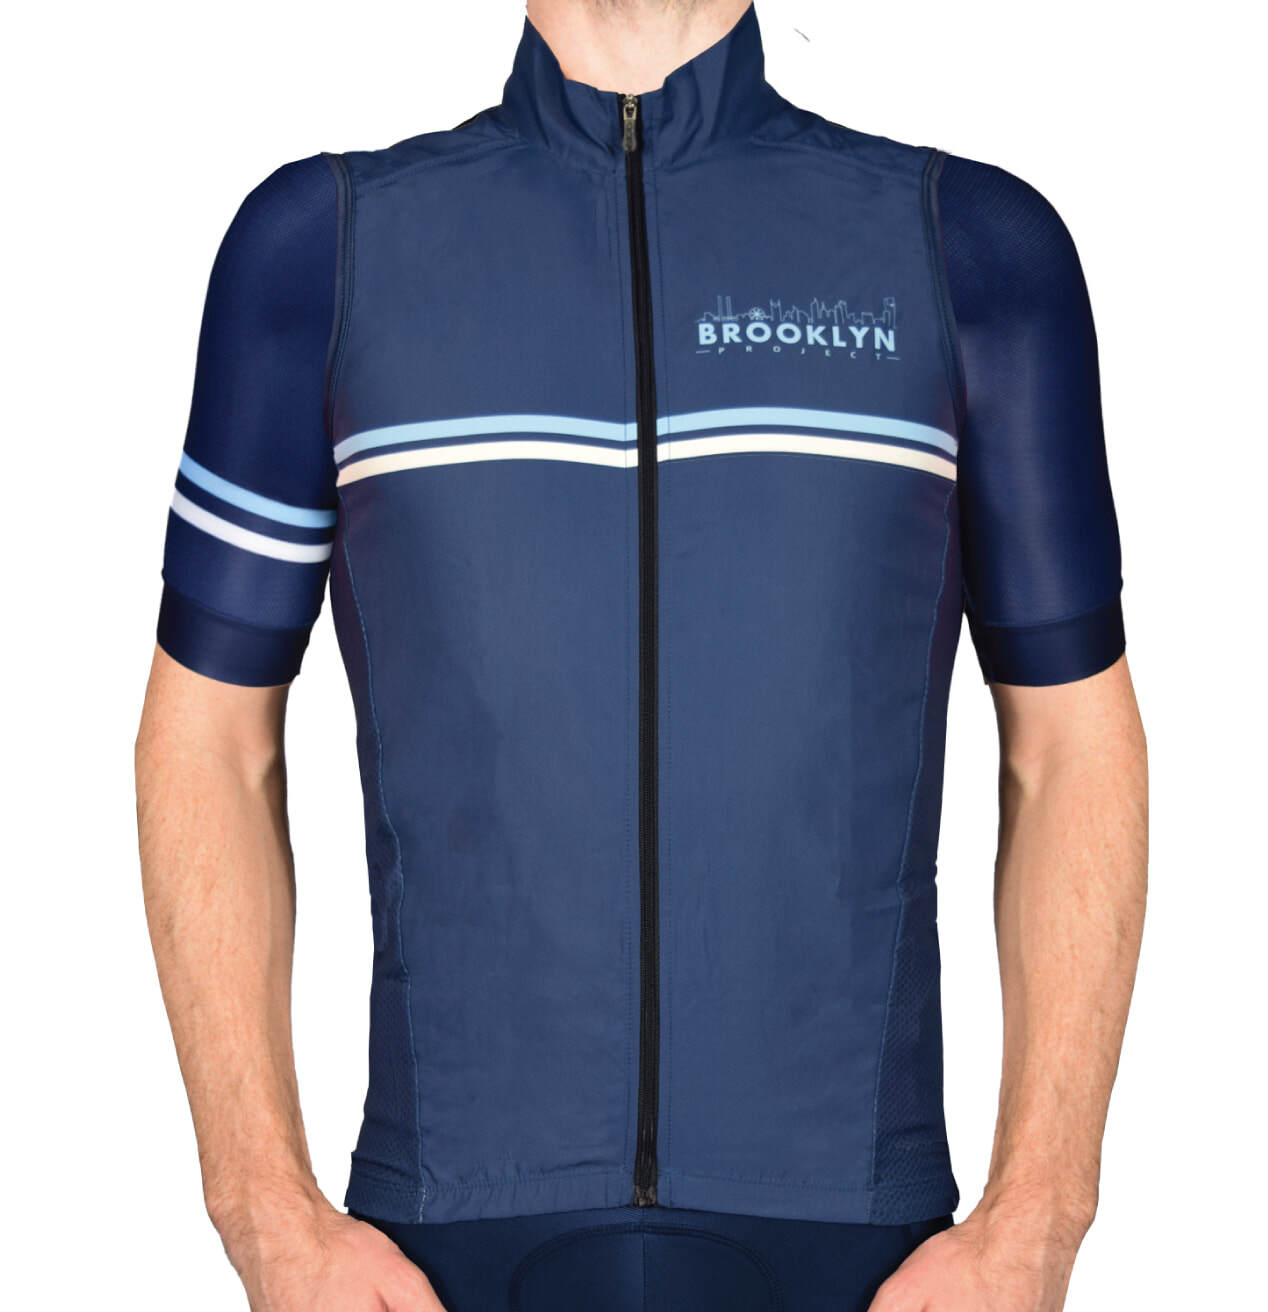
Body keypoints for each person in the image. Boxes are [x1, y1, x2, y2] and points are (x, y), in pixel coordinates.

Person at [135, 2, 1148, 1308]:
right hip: (444, 1249)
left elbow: (1071, 743)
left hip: (861, 1250)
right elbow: (208, 736)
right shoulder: (325, 250)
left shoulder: (965, 249)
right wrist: (262, 1211)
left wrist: (1039, 1221)